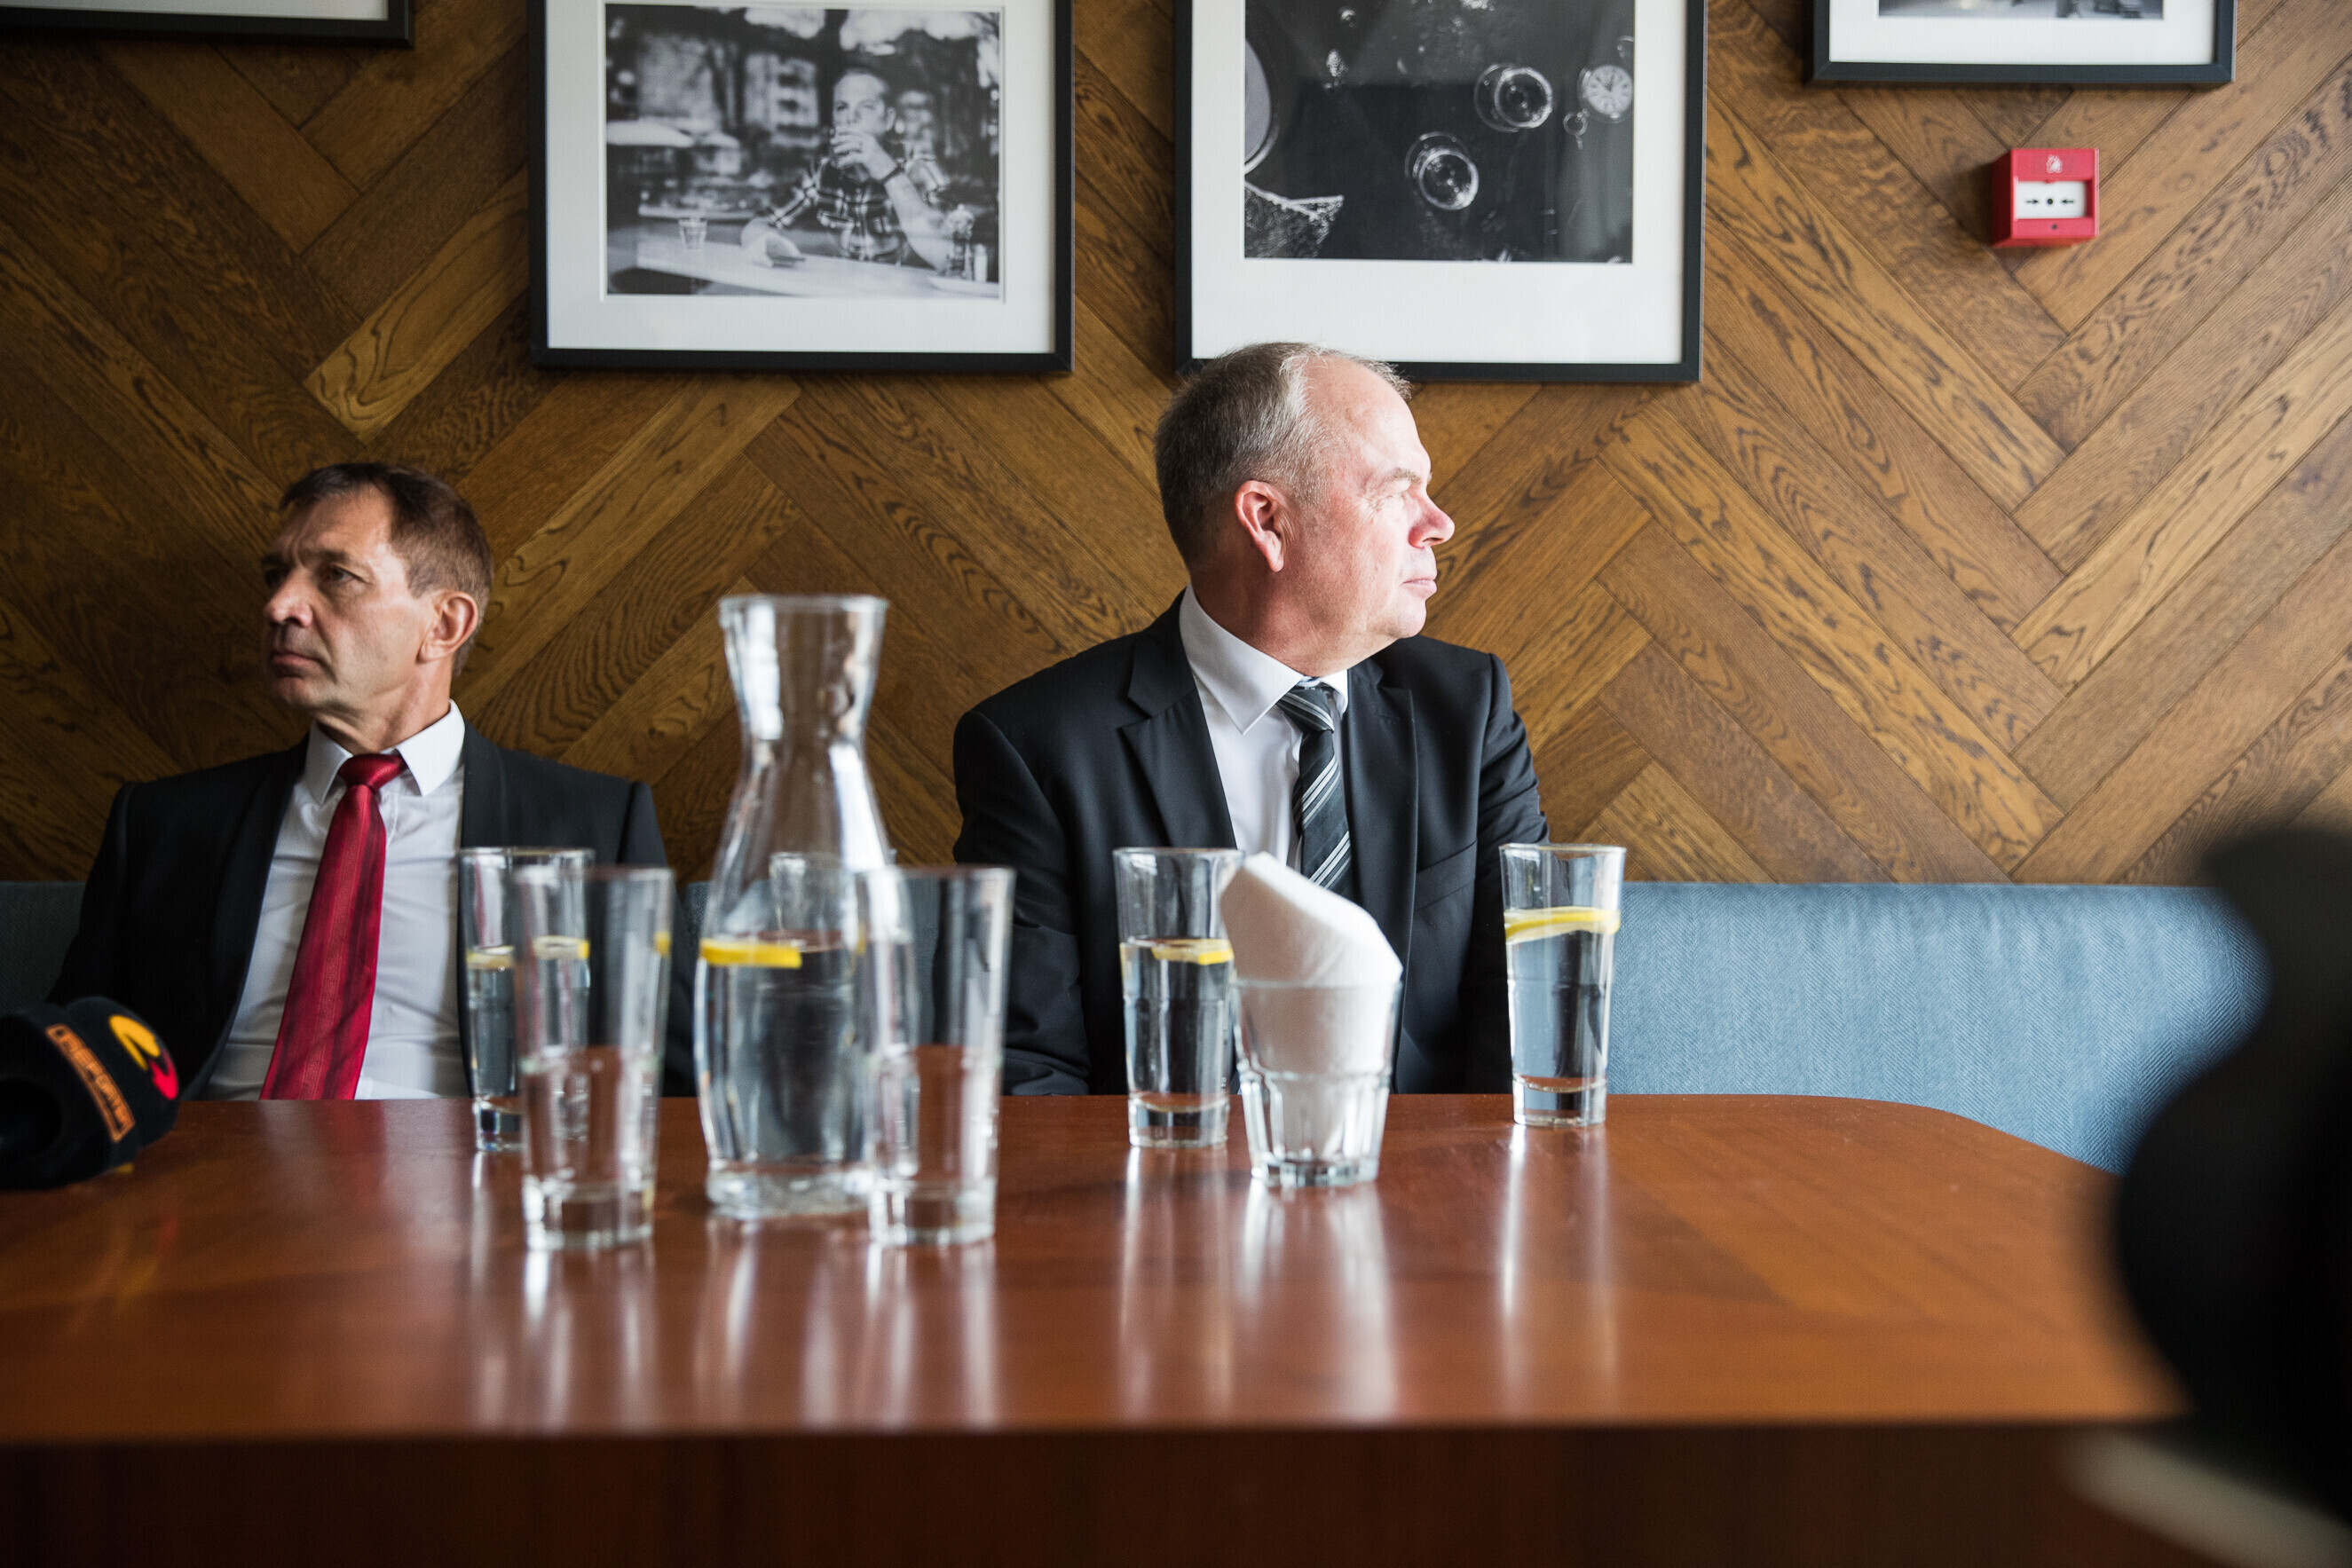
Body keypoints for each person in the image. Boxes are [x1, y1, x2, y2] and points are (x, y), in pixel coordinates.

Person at [952, 343, 1549, 1095]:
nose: (1438, 524)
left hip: (1428, 1166)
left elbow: (1529, 1018)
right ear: (1267, 520)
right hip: (1165, 1167)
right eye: (1397, 491)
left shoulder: (1469, 711)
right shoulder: (1037, 749)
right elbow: (1029, 1078)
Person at [49, 463, 676, 1100]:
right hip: (213, 1157)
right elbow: (66, 1062)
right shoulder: (163, 823)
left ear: (444, 625)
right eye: (276, 575)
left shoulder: (597, 824)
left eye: (336, 576)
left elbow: (679, 1083)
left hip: (469, 1158)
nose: (279, 606)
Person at [742, 66, 953, 272]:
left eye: (866, 107)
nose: (851, 118)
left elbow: (947, 256)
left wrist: (887, 170)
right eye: (842, 107)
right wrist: (763, 239)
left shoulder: (920, 166)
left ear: (888, 120)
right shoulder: (823, 170)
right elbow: (760, 223)